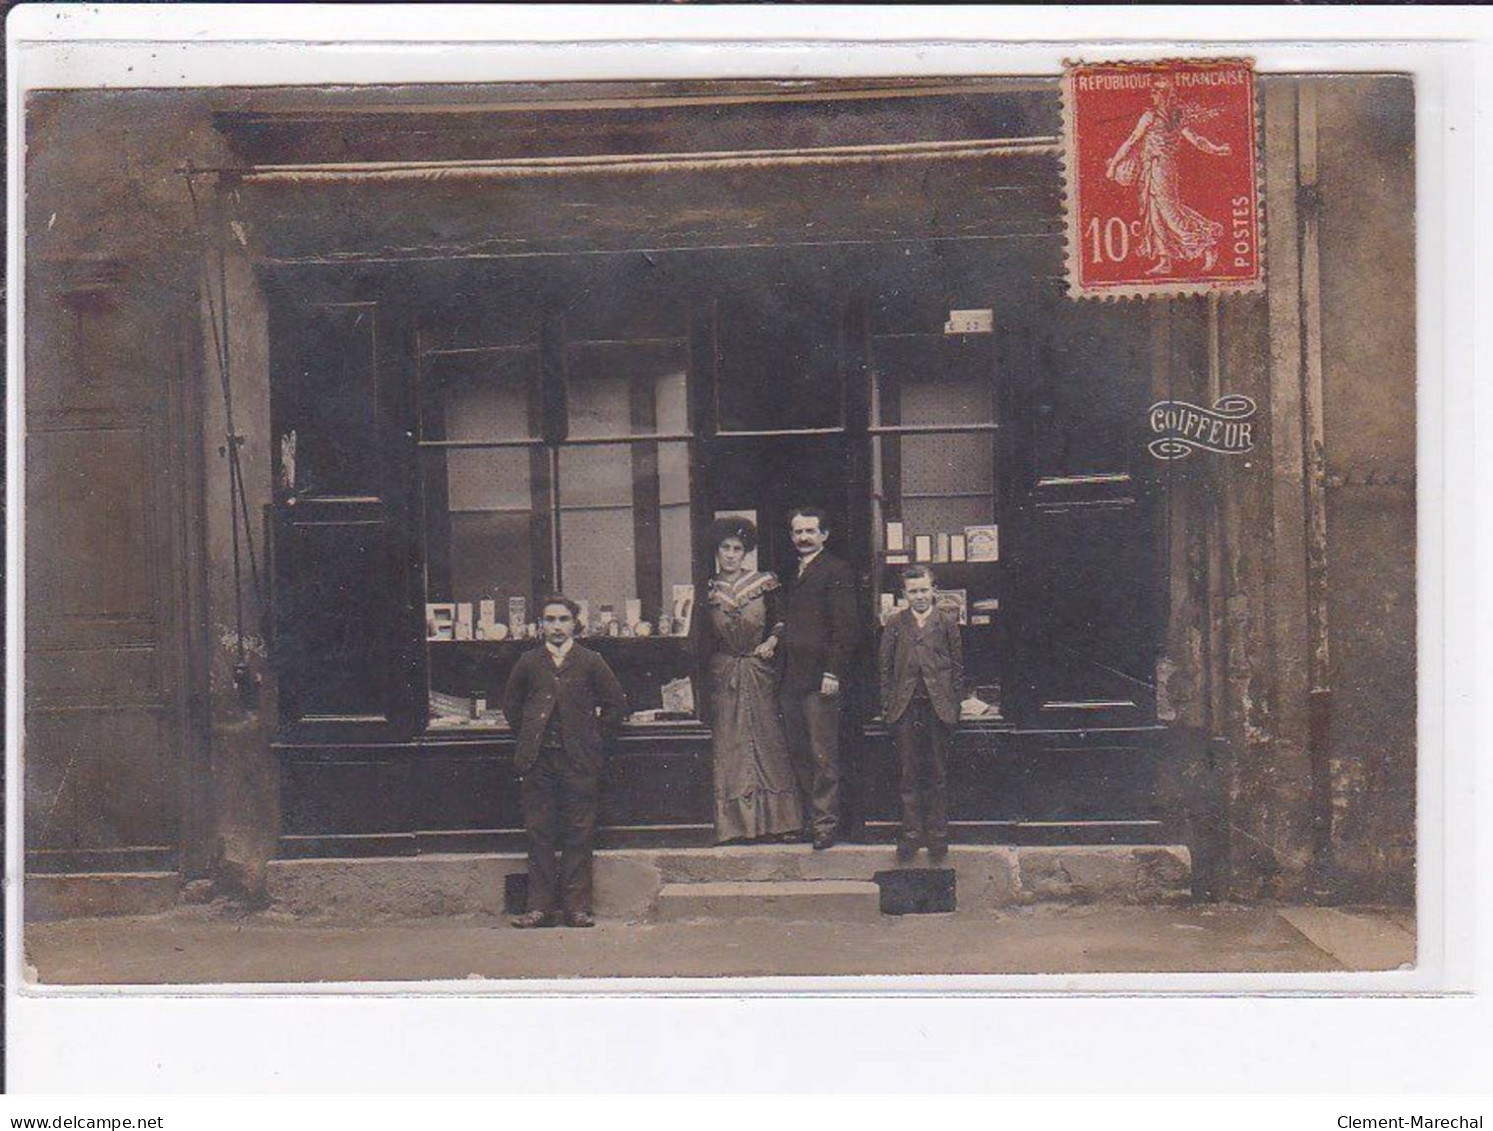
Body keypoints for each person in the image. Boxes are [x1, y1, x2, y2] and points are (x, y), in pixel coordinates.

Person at [502, 594, 628, 929]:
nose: (556, 627)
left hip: (579, 761)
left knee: (579, 832)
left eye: (563, 619)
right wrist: (531, 736)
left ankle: (576, 908)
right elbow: (511, 707)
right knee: (539, 832)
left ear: (575, 624)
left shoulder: (590, 661)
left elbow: (616, 705)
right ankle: (539, 908)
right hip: (538, 761)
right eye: (550, 619)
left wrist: (591, 737)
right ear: (541, 624)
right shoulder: (529, 662)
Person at [694, 516, 804, 844]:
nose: (730, 555)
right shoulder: (708, 589)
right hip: (725, 672)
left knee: (768, 739)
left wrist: (771, 642)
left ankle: (779, 822)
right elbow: (701, 637)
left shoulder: (763, 584)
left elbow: (782, 621)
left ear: (746, 553)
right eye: (725, 548)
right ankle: (734, 827)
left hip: (759, 671)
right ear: (717, 552)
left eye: (737, 549)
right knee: (731, 743)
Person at [778, 506, 858, 849]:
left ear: (824, 535)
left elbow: (845, 627)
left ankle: (826, 823)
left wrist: (832, 671)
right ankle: (810, 820)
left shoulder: (836, 570)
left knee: (823, 754)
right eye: (798, 532)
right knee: (799, 752)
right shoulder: (793, 572)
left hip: (820, 679)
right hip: (792, 678)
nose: (804, 538)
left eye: (810, 531)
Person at [1105, 76, 1232, 275]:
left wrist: (1216, 149)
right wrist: (1114, 164)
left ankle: (1207, 244)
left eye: (1156, 92)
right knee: (1154, 214)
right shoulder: (1150, 116)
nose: (1152, 96)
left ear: (1165, 96)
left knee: (1170, 213)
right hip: (1150, 169)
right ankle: (1165, 261)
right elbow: (1131, 141)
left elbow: (1196, 140)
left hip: (1162, 168)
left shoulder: (1173, 117)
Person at [879, 565, 963, 864]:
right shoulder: (895, 623)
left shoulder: (946, 621)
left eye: (924, 590)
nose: (919, 596)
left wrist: (953, 706)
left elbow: (956, 667)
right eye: (913, 591)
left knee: (937, 774)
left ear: (934, 591)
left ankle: (938, 836)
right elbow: (886, 669)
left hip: (937, 710)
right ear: (904, 594)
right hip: (905, 708)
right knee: (908, 774)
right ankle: (911, 835)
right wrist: (888, 707)